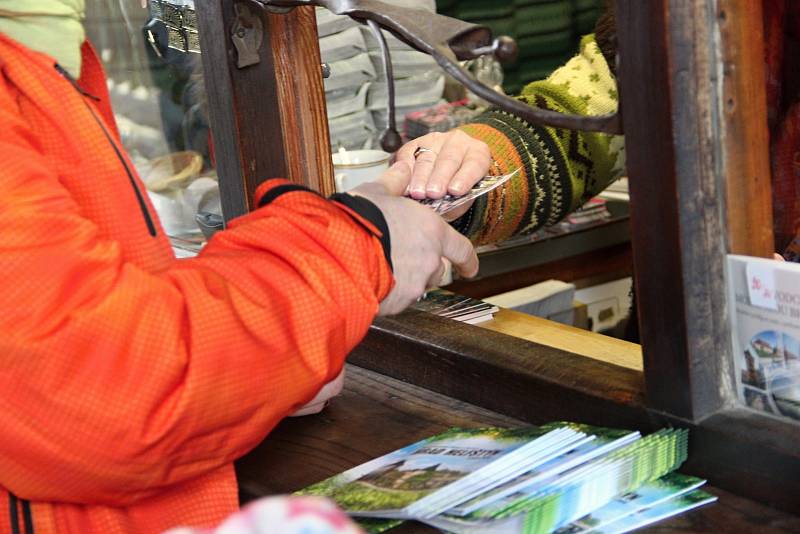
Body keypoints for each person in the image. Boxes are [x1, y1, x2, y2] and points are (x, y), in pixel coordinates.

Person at [0, 2, 484, 533]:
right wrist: (359, 243)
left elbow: (75, 326)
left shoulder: (39, 49)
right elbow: (104, 396)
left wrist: (263, 373)